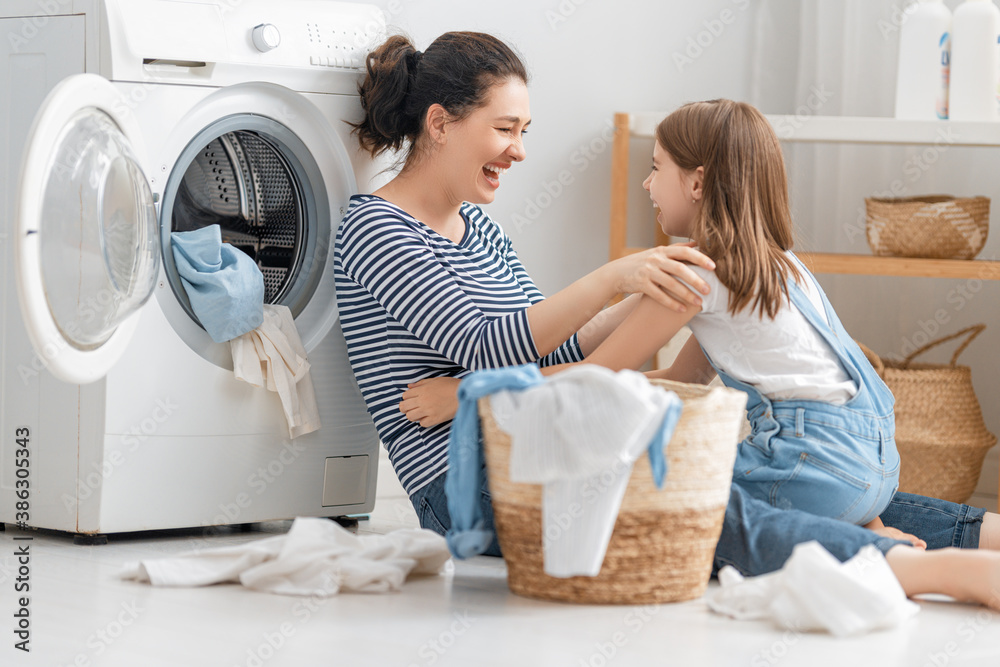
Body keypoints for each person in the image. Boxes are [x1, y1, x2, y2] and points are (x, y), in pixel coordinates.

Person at [336, 31, 1000, 609]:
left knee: (735, 477)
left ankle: (973, 537)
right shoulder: (376, 230)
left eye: (525, 132)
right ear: (441, 122)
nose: (519, 151)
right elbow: (486, 346)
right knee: (692, 497)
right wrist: (620, 276)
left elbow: (552, 344)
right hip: (474, 476)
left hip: (544, 431)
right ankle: (923, 568)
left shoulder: (475, 227)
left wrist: (655, 288)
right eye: (506, 129)